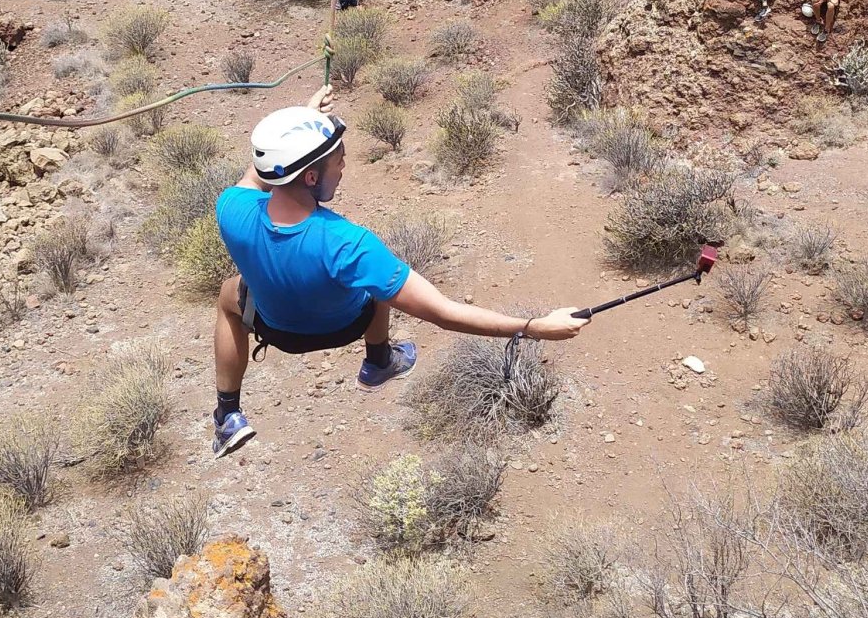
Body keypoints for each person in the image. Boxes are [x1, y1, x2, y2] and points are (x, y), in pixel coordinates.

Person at [209, 85, 590, 458]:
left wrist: (306, 120)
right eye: (338, 160)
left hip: (277, 328)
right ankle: (378, 360)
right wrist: (535, 327)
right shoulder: (348, 244)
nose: (342, 168)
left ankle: (228, 414)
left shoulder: (232, 208)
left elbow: (259, 173)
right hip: (344, 325)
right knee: (380, 280)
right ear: (311, 177)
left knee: (230, 295)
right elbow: (443, 313)